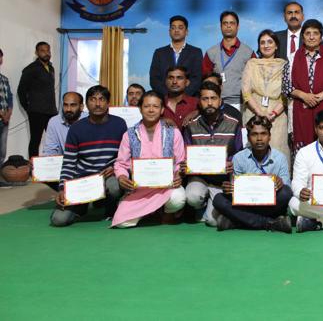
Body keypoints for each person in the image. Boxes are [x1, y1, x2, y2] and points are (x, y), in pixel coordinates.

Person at [50, 85, 127, 227]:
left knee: (115, 186)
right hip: (82, 181)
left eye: (102, 99)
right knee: (58, 220)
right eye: (93, 99)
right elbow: (69, 162)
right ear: (85, 104)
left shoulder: (119, 124)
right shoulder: (76, 128)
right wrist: (62, 188)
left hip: (107, 177)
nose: (97, 104)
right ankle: (82, 206)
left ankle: (110, 210)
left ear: (108, 103)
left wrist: (114, 168)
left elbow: (125, 156)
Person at [112, 91, 186, 228]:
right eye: (146, 106)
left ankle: (165, 212)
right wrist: (122, 177)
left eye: (155, 106)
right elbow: (121, 163)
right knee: (123, 223)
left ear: (162, 109)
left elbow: (180, 161)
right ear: (140, 109)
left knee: (178, 198)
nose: (151, 110)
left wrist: (178, 175)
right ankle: (151, 211)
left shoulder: (173, 132)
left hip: (166, 187)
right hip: (140, 188)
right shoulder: (130, 134)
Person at [212, 116, 293, 233]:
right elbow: (236, 190)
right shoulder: (239, 158)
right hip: (246, 204)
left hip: (270, 205)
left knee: (286, 193)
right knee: (218, 199)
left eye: (263, 134)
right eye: (254, 134)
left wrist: (280, 183)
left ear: (269, 136)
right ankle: (270, 223)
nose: (259, 138)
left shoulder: (280, 158)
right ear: (248, 138)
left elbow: (287, 189)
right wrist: (230, 189)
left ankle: (236, 221)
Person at [183, 81, 243, 226]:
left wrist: (231, 163)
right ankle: (201, 204)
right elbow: (185, 154)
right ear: (199, 102)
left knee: (213, 221)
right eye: (205, 99)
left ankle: (210, 205)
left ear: (220, 101)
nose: (209, 103)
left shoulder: (233, 123)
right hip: (199, 178)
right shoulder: (191, 126)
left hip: (222, 180)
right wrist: (186, 164)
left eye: (213, 98)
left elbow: (239, 153)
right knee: (192, 196)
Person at [282, 19, 323, 153]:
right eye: (307, 33)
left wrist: (320, 96)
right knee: (302, 152)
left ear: (321, 37)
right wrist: (304, 96)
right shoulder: (292, 58)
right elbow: (286, 86)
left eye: (315, 33)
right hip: (300, 109)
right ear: (302, 36)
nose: (311, 37)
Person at [242, 30, 290, 160]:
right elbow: (246, 92)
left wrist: (273, 113)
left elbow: (286, 93)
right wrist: (259, 112)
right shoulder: (252, 64)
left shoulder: (284, 65)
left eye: (270, 42)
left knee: (277, 151)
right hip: (253, 112)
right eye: (262, 42)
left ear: (276, 45)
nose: (266, 45)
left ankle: (279, 180)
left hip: (277, 115)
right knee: (253, 152)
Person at [201, 11, 255, 111]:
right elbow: (205, 80)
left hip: (243, 103)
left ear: (238, 26)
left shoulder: (248, 52)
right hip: (218, 103)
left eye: (232, 23)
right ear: (221, 26)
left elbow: (255, 80)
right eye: (225, 23)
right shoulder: (211, 52)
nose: (228, 26)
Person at [17, 41, 58, 157]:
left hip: (51, 111)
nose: (46, 53)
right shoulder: (31, 69)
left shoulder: (51, 68)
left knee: (54, 140)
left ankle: (54, 165)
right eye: (43, 51)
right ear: (37, 52)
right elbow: (21, 91)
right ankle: (33, 169)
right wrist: (29, 108)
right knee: (35, 140)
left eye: (48, 50)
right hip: (37, 112)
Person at [41, 92, 87, 190]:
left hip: (87, 165)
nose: (68, 109)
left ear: (81, 107)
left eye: (73, 105)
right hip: (66, 164)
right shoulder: (54, 122)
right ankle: (65, 192)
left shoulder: (89, 120)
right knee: (39, 171)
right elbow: (50, 150)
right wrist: (42, 163)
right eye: (65, 105)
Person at [149, 15, 203, 97]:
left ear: (187, 31)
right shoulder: (159, 53)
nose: (176, 30)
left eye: (180, 28)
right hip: (165, 100)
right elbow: (154, 79)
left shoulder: (196, 52)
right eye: (173, 28)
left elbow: (197, 79)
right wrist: (168, 96)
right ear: (169, 31)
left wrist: (182, 97)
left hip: (188, 100)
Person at [162, 66, 198, 131]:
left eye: (179, 78)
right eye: (171, 78)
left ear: (187, 82)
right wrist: (160, 120)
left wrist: (198, 112)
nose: (174, 82)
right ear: (166, 82)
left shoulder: (196, 103)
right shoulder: (159, 103)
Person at [0, 49, 13, 164]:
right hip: (2, 117)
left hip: (4, 121)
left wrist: (8, 114)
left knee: (2, 151)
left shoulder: (4, 79)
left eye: (0, 57)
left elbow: (10, 97)